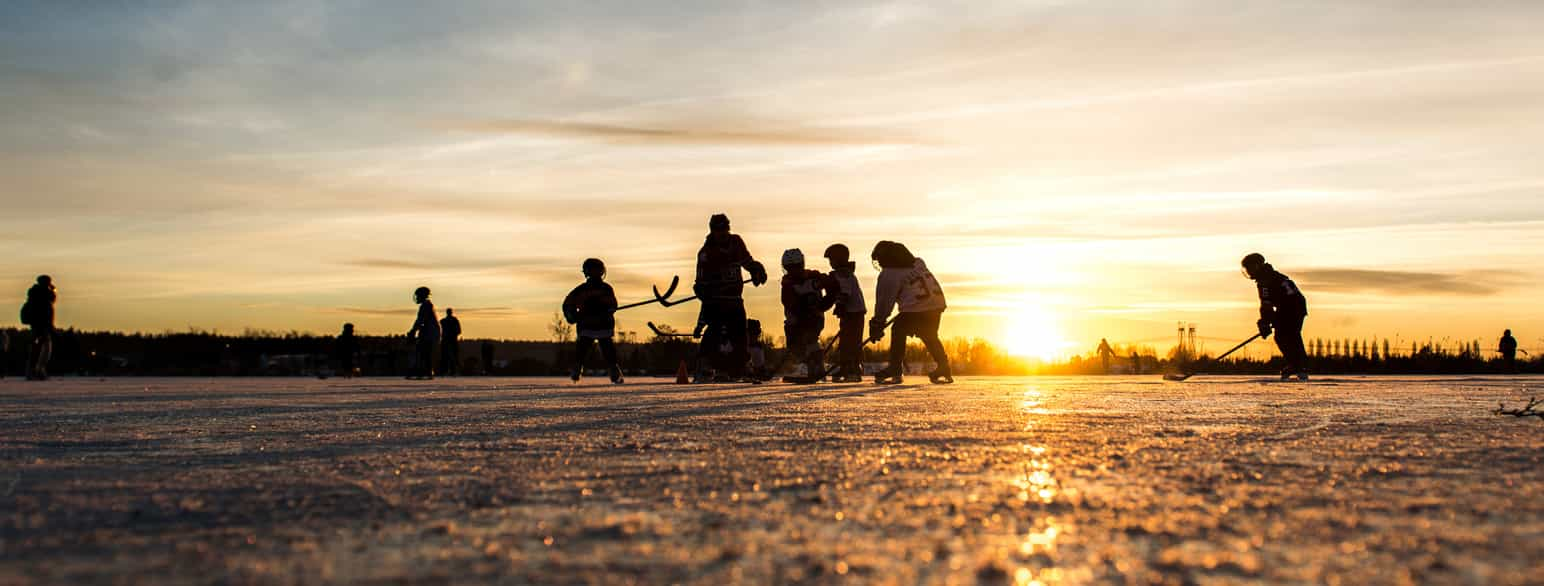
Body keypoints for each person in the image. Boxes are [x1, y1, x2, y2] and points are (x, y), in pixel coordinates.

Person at [692, 214, 767, 382]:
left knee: (740, 334)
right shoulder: (706, 253)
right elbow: (700, 280)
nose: (722, 233)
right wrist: (703, 291)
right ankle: (709, 367)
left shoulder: (736, 242)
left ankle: (740, 367)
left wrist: (756, 270)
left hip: (734, 299)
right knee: (715, 333)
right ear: (712, 231)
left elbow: (747, 261)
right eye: (718, 230)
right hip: (716, 301)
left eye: (725, 229)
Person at [869, 242, 952, 384]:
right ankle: (944, 366)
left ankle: (895, 368)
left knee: (898, 329)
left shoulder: (890, 274)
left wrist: (877, 322)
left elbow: (884, 301)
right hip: (936, 305)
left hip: (917, 308)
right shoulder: (919, 263)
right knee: (929, 335)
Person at [1242, 253, 1309, 381]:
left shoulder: (1264, 281)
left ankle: (1298, 366)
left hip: (1290, 308)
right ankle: (1297, 365)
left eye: (1249, 268)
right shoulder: (1273, 275)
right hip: (1295, 307)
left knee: (1285, 336)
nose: (1248, 271)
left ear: (1256, 266)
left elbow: (1266, 304)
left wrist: (1265, 322)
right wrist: (1266, 322)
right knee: (1289, 336)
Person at [779, 249, 837, 383]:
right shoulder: (787, 284)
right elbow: (788, 302)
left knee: (810, 338)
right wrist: (800, 310)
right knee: (796, 347)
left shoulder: (814, 277)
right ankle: (812, 364)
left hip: (814, 317)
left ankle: (816, 368)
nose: (793, 271)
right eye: (790, 268)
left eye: (796, 267)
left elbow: (832, 284)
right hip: (795, 320)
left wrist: (826, 303)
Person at [562, 258, 623, 384]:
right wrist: (573, 315)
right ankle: (613, 372)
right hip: (597, 326)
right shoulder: (604, 288)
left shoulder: (584, 289)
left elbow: (568, 304)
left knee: (585, 350)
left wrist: (572, 315)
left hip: (594, 326)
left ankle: (577, 370)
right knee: (606, 350)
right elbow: (613, 305)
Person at [824, 244, 867, 382]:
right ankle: (845, 367)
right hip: (852, 312)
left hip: (854, 313)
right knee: (845, 342)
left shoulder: (844, 273)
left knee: (851, 342)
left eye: (832, 260)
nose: (830, 263)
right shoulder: (842, 273)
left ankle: (853, 369)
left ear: (839, 259)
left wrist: (841, 304)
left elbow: (845, 291)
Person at [20, 275, 56, 381]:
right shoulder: (44, 292)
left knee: (37, 347)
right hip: (43, 324)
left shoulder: (33, 292)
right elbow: (52, 299)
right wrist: (53, 289)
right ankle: (38, 370)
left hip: (36, 324)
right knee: (45, 347)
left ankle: (33, 370)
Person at [406, 286, 439, 380]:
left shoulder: (426, 305)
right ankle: (426, 371)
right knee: (423, 352)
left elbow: (420, 320)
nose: (417, 298)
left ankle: (426, 371)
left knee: (424, 352)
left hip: (430, 333)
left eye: (418, 296)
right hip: (428, 332)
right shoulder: (426, 305)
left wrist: (413, 331)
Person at [439, 308, 462, 376]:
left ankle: (451, 370)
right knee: (447, 356)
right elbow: (459, 331)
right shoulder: (445, 321)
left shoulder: (444, 321)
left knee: (451, 356)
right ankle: (447, 370)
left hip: (450, 340)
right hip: (449, 340)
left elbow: (458, 331)